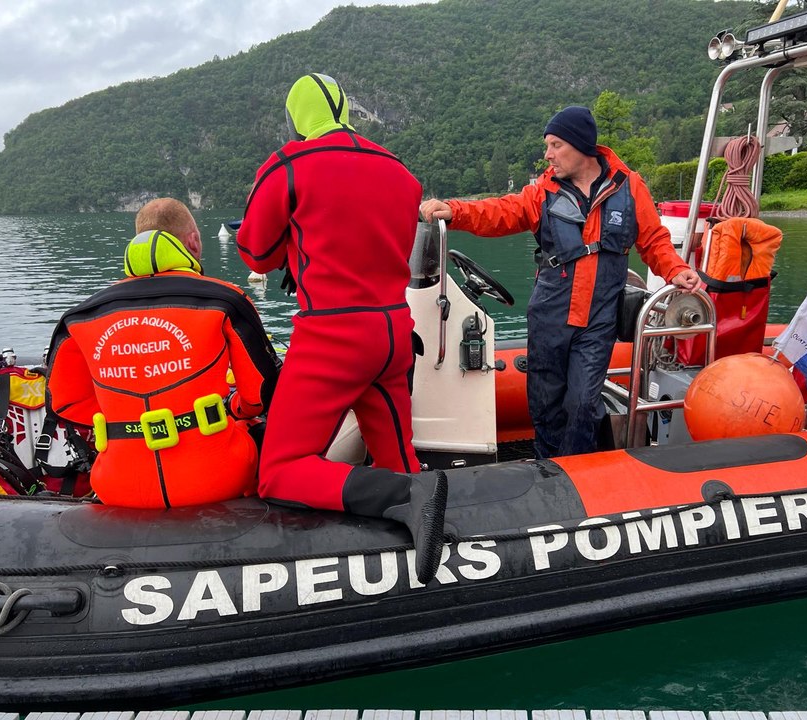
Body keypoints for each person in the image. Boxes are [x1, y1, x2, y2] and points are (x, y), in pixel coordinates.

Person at [235, 73, 447, 584]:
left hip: (332, 336)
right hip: (394, 331)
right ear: (346, 109)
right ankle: (418, 516)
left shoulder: (289, 163)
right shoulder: (400, 170)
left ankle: (401, 497)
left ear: (297, 116)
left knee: (280, 471)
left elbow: (255, 254)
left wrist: (292, 241)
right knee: (400, 458)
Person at [421, 105, 700, 459]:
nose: (548, 155)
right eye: (548, 146)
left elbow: (653, 240)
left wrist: (675, 269)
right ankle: (547, 466)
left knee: (584, 401)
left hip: (598, 319)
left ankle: (577, 470)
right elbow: (502, 212)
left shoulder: (629, 186)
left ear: (581, 145)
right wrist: (455, 211)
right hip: (550, 313)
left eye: (555, 145)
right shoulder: (542, 191)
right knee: (545, 400)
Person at [46, 198, 280, 508]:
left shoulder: (78, 317)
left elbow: (64, 405)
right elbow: (261, 396)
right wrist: (232, 410)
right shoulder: (227, 301)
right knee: (256, 429)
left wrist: (125, 419)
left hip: (117, 487)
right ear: (194, 241)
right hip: (219, 478)